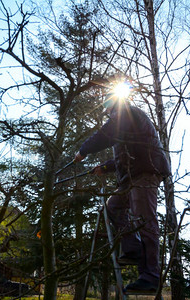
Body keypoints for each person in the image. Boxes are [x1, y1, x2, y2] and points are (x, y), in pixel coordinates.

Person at [74, 86, 170, 293]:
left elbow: (107, 133)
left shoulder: (126, 113)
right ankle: (133, 249)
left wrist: (84, 150)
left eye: (108, 110)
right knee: (113, 207)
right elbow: (124, 155)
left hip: (146, 171)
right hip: (131, 175)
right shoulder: (126, 124)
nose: (108, 114)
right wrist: (105, 167)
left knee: (145, 220)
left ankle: (151, 276)